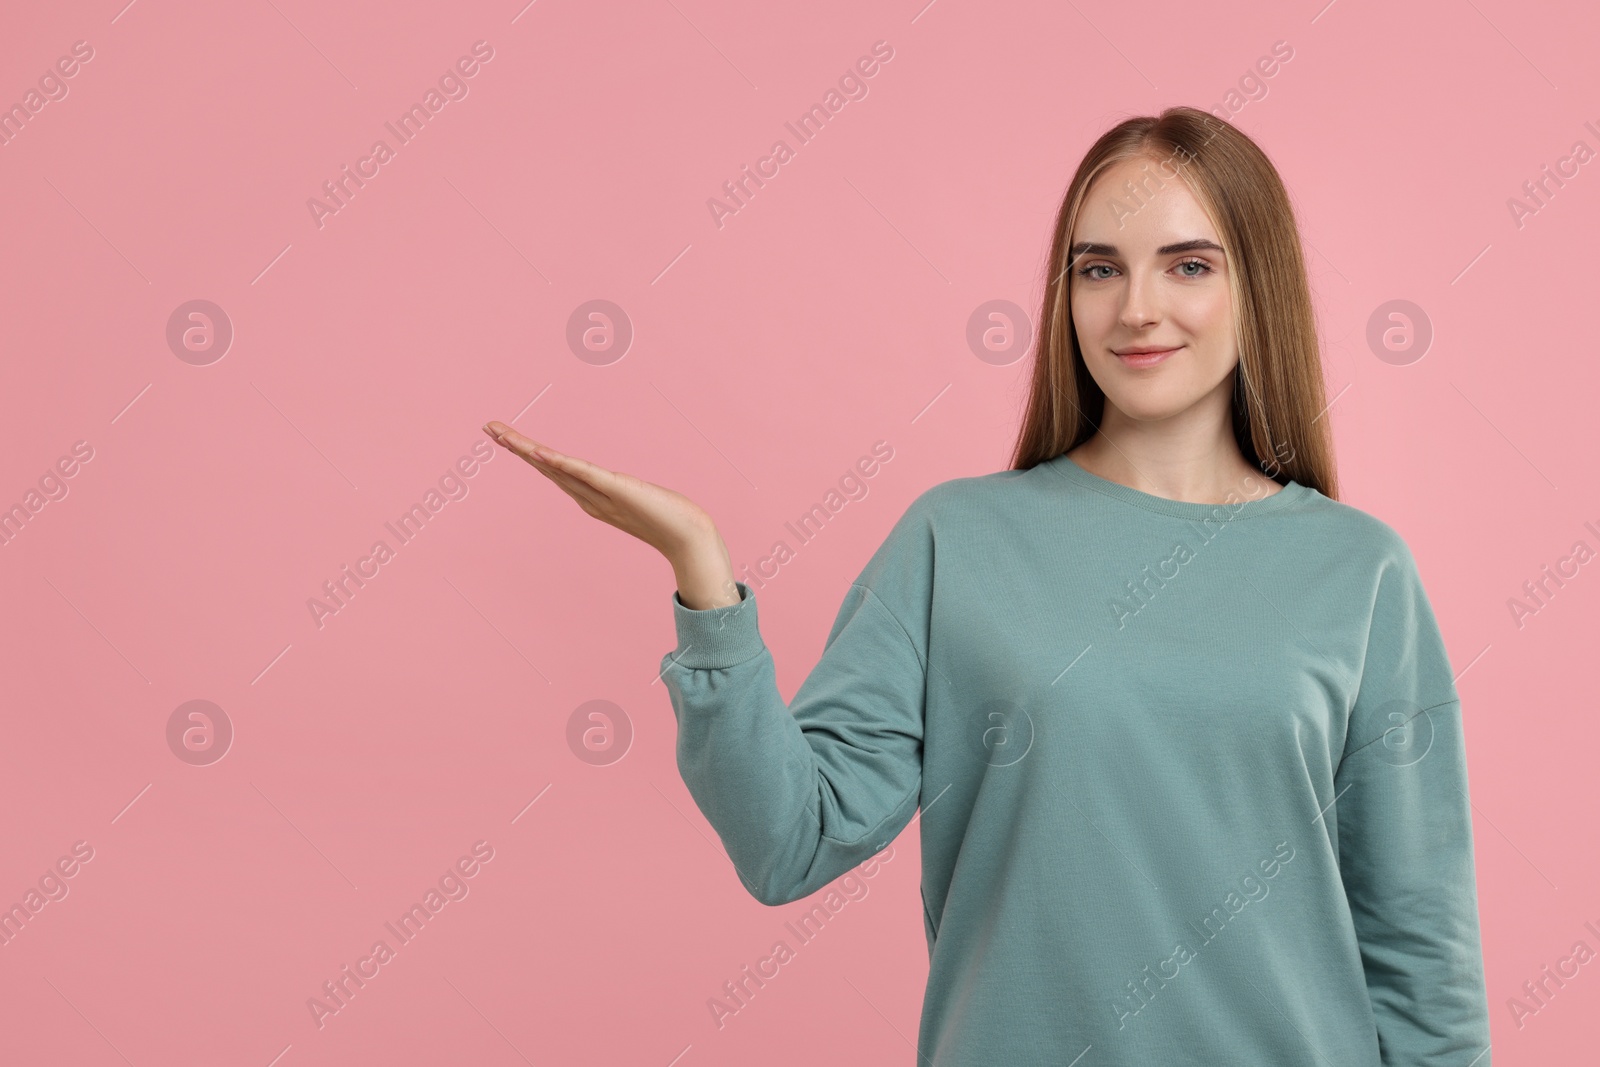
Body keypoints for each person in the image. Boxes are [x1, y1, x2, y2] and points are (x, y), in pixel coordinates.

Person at [481, 106, 1492, 1065]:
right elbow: (788, 840)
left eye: (1188, 264)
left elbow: (1418, 942)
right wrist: (704, 579)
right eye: (1099, 268)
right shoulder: (954, 540)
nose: (1136, 307)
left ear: (1256, 285)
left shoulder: (1357, 570)